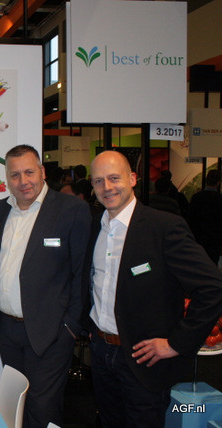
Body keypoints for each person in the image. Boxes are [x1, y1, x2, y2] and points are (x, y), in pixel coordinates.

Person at [85, 150, 222, 428]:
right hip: (100, 353)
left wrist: (176, 343)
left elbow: (212, 288)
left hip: (143, 360)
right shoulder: (95, 227)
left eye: (114, 178)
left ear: (132, 179)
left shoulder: (163, 227)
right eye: (99, 181)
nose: (107, 187)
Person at [0, 144, 91, 428]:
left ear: (42, 172)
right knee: (17, 404)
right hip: (7, 328)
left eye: (29, 172)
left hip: (51, 331)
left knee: (42, 408)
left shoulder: (71, 209)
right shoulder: (1, 209)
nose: (23, 181)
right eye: (15, 175)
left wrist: (71, 327)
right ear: (7, 178)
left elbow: (82, 273)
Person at [187, 169, 222, 264]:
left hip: (199, 236)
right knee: (212, 262)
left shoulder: (197, 197)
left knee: (199, 261)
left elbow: (190, 217)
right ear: (218, 182)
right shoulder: (220, 199)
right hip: (215, 237)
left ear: (206, 180)